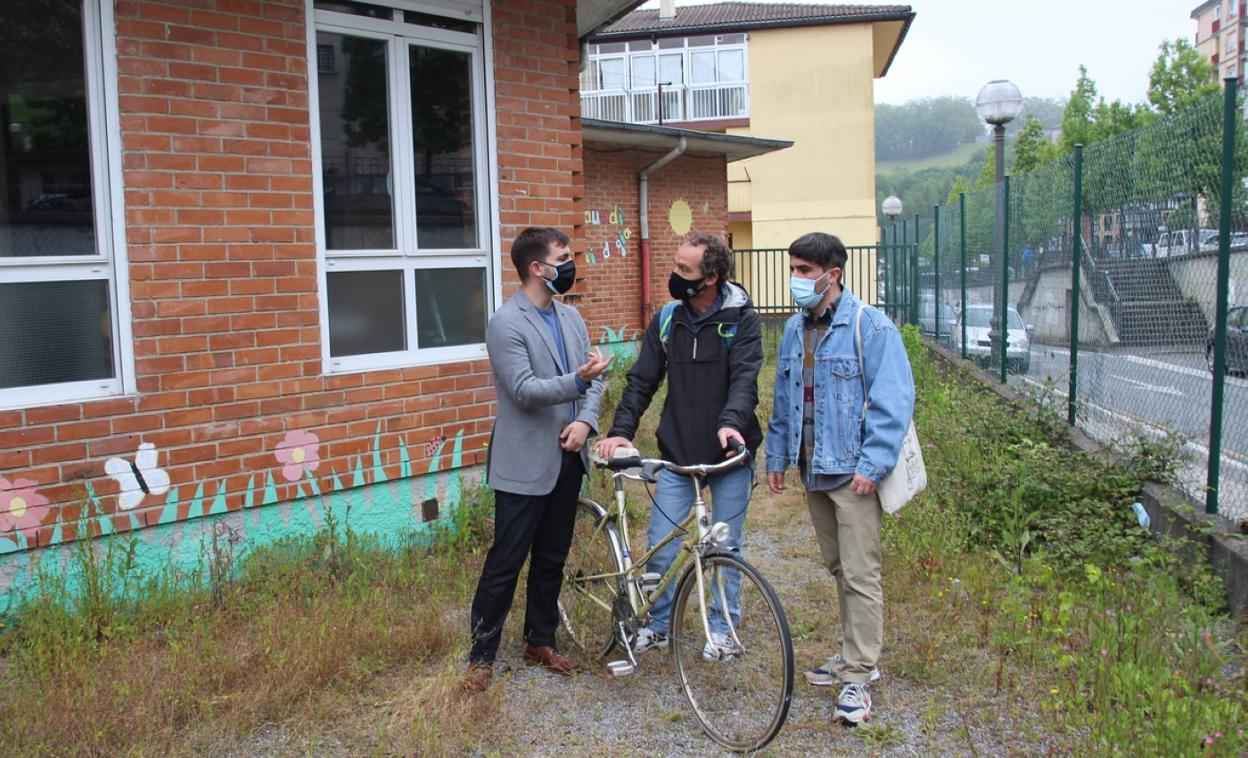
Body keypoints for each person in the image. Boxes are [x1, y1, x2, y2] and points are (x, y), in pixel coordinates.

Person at [764, 232, 915, 727]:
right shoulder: (794, 329)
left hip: (853, 474)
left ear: (833, 274)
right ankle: (852, 653)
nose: (795, 279)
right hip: (813, 470)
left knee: (860, 573)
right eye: (793, 269)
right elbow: (785, 398)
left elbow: (894, 400)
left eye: (804, 271)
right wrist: (777, 457)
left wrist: (872, 466)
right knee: (839, 568)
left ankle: (859, 675)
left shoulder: (870, 326)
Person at [595, 233, 763, 660]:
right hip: (677, 452)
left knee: (725, 547)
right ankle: (658, 626)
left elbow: (745, 380)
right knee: (662, 544)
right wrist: (621, 429)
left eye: (684, 270)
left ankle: (722, 631)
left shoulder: (741, 319)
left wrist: (731, 425)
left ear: (711, 277)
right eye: (675, 265)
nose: (675, 276)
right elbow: (642, 380)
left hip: (728, 455)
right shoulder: (669, 319)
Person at [463, 227, 613, 692]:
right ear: (536, 267)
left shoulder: (571, 317)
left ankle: (539, 640)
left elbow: (594, 381)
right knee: (505, 562)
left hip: (568, 457)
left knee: (552, 557)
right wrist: (579, 381)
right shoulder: (506, 322)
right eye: (563, 258)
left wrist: (585, 422)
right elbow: (525, 391)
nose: (570, 265)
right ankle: (481, 656)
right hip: (524, 463)